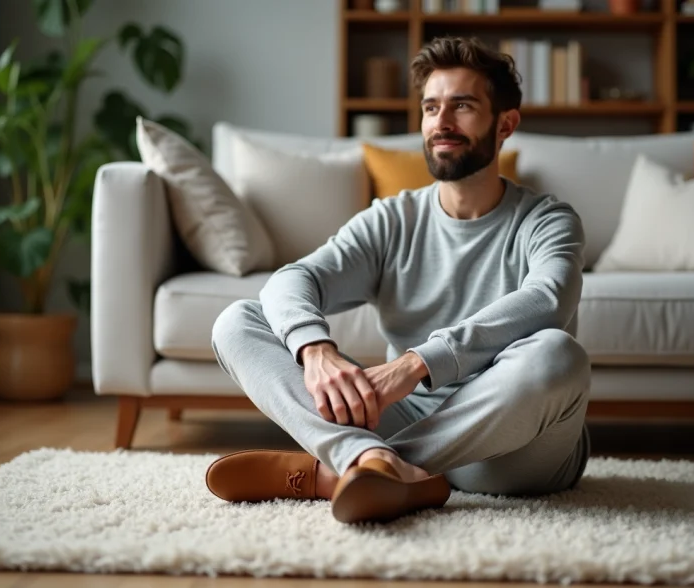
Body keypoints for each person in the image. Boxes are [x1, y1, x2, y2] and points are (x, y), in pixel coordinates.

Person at [207, 35, 591, 524]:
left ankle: (345, 466)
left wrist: (416, 364)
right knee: (238, 320)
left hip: (512, 446)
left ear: (505, 124)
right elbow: (295, 279)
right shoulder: (392, 219)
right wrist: (314, 350)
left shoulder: (547, 220)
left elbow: (548, 299)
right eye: (431, 108)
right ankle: (373, 462)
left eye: (462, 106)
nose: (441, 122)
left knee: (558, 355)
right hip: (403, 417)